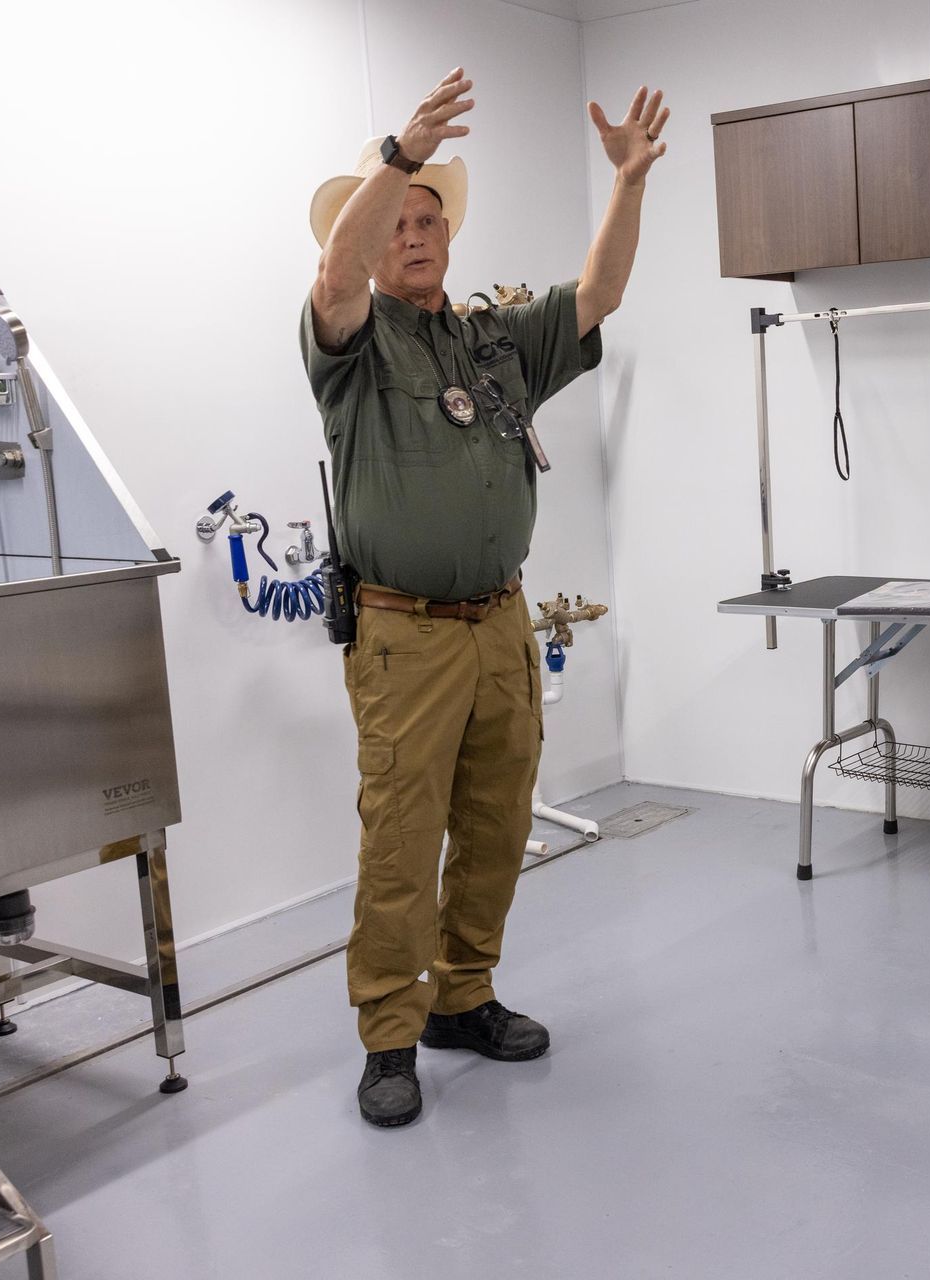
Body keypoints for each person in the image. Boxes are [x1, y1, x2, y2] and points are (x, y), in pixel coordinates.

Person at [300, 68, 670, 1127]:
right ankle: (388, 1033)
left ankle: (464, 995)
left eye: (429, 219)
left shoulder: (493, 339)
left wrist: (630, 186)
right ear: (369, 242)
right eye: (395, 222)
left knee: (498, 822)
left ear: (449, 236)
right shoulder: (349, 343)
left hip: (499, 622)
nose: (413, 233)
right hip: (402, 633)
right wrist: (399, 152)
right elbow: (334, 274)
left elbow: (597, 294)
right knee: (402, 836)